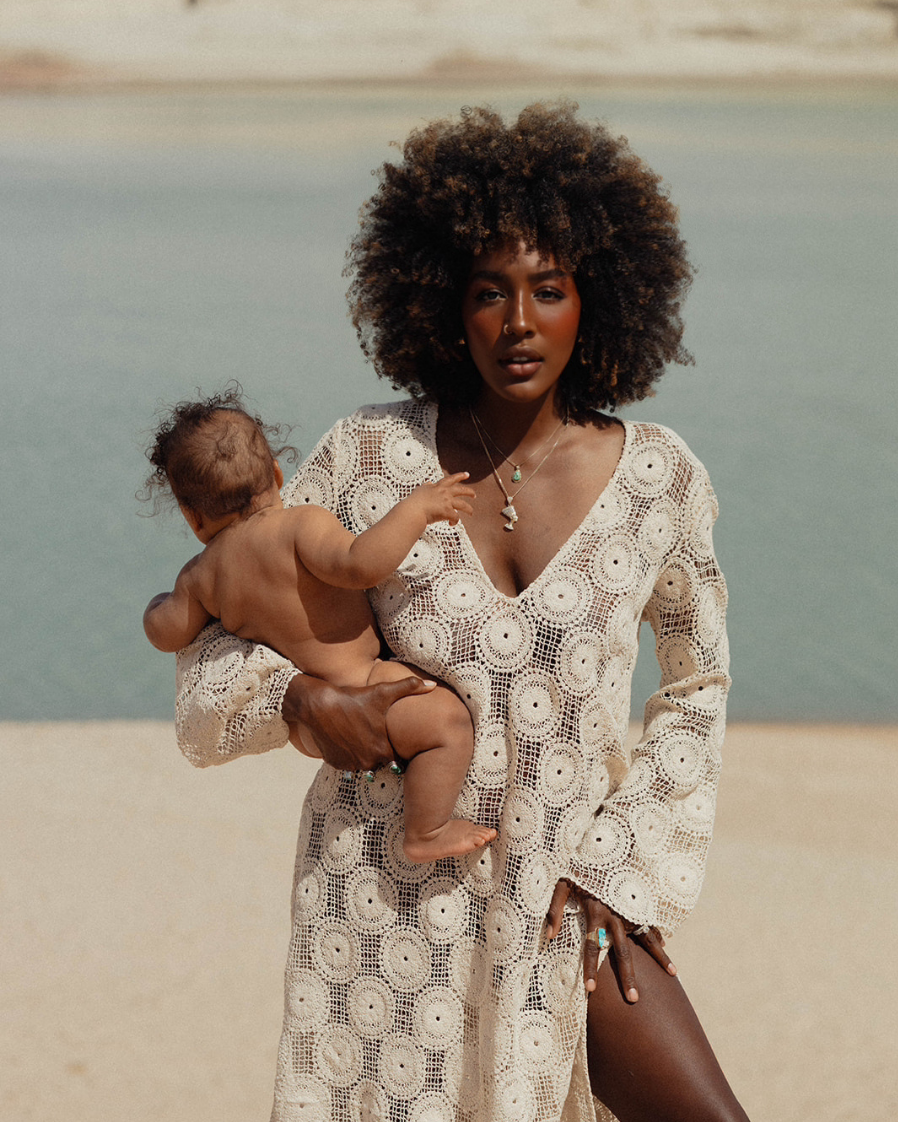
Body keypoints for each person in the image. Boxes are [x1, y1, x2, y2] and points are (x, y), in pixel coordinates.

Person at [173, 102, 748, 1122]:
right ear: (444, 303)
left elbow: (696, 685)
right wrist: (305, 701)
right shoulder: (363, 459)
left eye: (548, 290)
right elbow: (212, 681)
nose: (517, 322)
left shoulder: (660, 478)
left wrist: (627, 866)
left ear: (597, 300)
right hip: (383, 909)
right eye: (489, 293)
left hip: (567, 903)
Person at [142, 390, 496, 863]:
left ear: (192, 516)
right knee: (449, 724)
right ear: (275, 475)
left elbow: (167, 634)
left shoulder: (202, 575)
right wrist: (418, 509)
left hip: (312, 728)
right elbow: (360, 564)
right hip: (366, 687)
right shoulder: (299, 525)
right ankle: (426, 830)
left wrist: (157, 604)